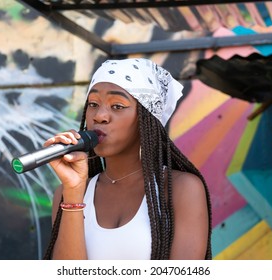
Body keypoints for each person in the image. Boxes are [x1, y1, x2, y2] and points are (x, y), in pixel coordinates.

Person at [43, 58, 212, 260]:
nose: (100, 116)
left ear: (147, 119)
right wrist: (73, 192)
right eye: (93, 104)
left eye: (117, 106)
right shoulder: (67, 193)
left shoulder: (181, 188)